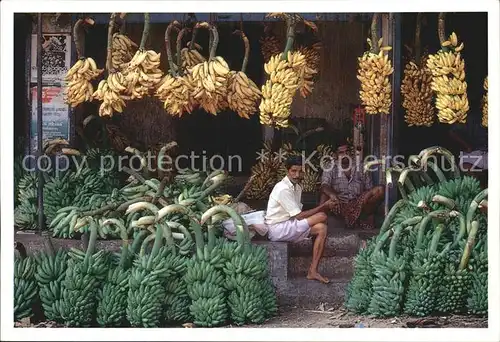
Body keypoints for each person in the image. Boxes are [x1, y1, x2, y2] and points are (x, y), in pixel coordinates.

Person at [265, 155, 335, 284]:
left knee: (322, 228)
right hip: (278, 229)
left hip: (289, 224)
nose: (297, 175)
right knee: (322, 216)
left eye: (300, 171)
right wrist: (324, 206)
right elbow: (299, 216)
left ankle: (312, 271)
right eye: (293, 171)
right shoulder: (283, 189)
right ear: (287, 171)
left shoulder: (297, 187)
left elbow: (298, 216)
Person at [319, 143, 384, 230]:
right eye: (341, 153)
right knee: (325, 194)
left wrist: (364, 200)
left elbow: (370, 188)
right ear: (336, 155)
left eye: (347, 152)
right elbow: (324, 185)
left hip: (359, 203)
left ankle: (365, 216)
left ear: (351, 153)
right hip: (339, 204)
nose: (345, 155)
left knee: (380, 190)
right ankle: (320, 221)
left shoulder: (361, 166)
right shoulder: (331, 167)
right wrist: (332, 195)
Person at [448, 112, 488, 188]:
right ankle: (477, 189)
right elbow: (452, 132)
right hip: (474, 151)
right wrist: (466, 146)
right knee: (465, 166)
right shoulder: (468, 119)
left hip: (487, 151)